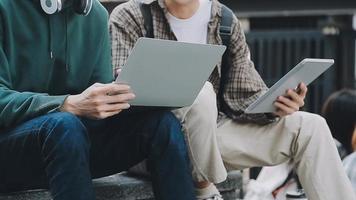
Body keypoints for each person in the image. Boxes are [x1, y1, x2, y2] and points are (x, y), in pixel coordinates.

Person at [109, 0, 356, 199]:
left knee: (311, 127)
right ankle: (203, 187)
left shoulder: (224, 19)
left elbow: (244, 95)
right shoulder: (131, 15)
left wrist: (277, 104)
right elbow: (120, 88)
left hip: (212, 136)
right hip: (151, 141)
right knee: (201, 90)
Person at [0, 0, 196, 200]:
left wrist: (126, 89)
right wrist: (67, 104)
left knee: (162, 124)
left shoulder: (95, 15)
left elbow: (99, 101)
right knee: (64, 124)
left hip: (67, 149)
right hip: (10, 153)